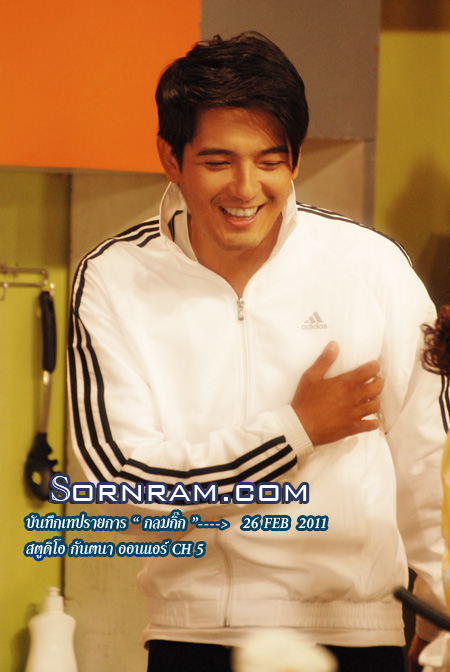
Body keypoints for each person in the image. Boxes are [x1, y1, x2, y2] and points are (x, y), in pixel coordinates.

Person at [67, 32, 448, 672]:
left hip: (357, 635)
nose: (246, 188)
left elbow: (429, 460)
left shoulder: (371, 267)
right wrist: (295, 431)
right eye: (218, 161)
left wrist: (441, 617)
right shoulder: (113, 280)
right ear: (170, 158)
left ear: (294, 160)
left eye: (270, 161)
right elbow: (119, 487)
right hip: (193, 639)